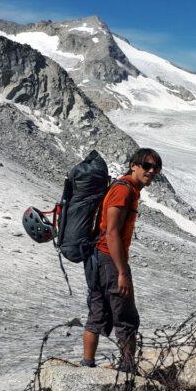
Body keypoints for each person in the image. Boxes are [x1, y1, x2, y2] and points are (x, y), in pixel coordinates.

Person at [81, 148, 162, 370]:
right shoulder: (124, 191)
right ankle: (127, 368)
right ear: (134, 165)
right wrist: (123, 272)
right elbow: (112, 233)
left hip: (98, 258)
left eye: (156, 168)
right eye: (147, 166)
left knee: (98, 312)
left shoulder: (128, 189)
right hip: (109, 258)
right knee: (125, 316)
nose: (152, 171)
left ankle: (87, 364)